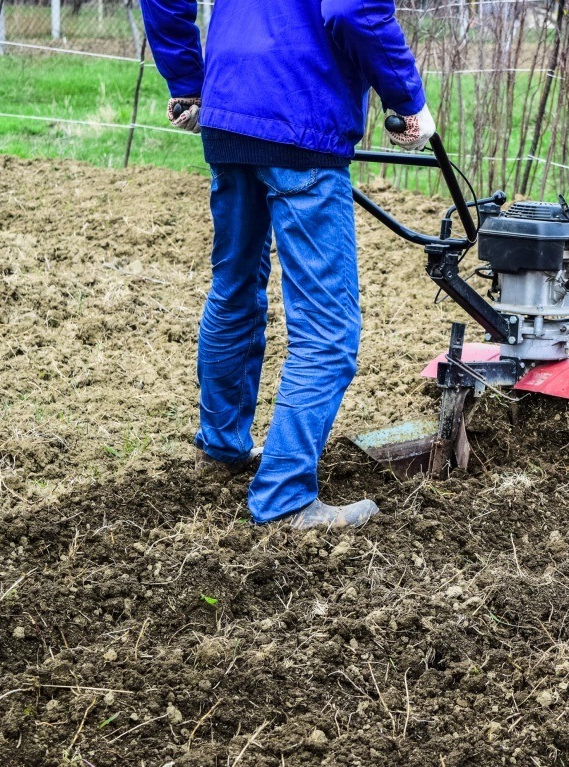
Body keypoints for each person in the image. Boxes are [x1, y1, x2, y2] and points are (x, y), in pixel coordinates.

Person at [139, 0, 434, 529]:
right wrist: (406, 98)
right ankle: (285, 496)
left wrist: (186, 80)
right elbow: (353, 10)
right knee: (328, 329)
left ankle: (221, 449)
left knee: (234, 286)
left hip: (228, 105)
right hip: (301, 108)